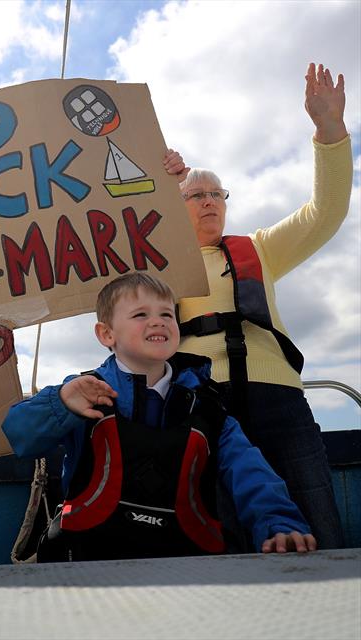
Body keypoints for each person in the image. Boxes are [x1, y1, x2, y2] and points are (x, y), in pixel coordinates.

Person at [2, 272, 316, 562]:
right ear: (106, 334)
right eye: (141, 314)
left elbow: (249, 470)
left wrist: (279, 525)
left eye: (167, 314)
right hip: (90, 562)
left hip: (185, 564)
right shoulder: (83, 393)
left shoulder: (208, 407)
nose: (158, 322)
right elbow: (19, 436)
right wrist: (59, 403)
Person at [168, 62, 352, 550]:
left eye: (216, 194)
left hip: (279, 400)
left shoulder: (260, 248)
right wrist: (152, 184)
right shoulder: (156, 262)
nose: (209, 201)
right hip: (203, 403)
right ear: (175, 203)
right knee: (218, 530)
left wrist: (329, 132)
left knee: (318, 522)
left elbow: (324, 214)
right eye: (195, 195)